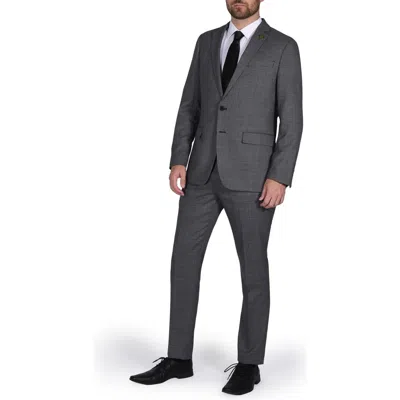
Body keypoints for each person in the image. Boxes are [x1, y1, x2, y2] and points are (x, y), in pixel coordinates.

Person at [129, 0, 303, 395]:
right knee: (183, 263)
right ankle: (179, 358)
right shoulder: (206, 42)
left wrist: (279, 176)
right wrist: (179, 158)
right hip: (201, 172)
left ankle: (249, 364)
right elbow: (189, 104)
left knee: (253, 271)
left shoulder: (283, 47)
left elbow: (292, 119)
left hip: (253, 177)